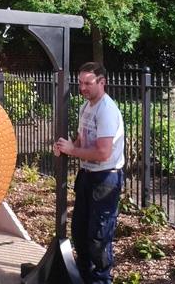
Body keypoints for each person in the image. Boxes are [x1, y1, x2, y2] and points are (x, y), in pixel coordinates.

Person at [54, 62, 124, 284]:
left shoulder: (107, 111)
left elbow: (103, 153)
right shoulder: (86, 106)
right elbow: (81, 139)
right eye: (80, 82)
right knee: (80, 232)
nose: (82, 87)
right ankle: (84, 278)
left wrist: (73, 150)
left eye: (88, 83)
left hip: (105, 179)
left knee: (98, 237)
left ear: (102, 82)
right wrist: (66, 146)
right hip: (87, 175)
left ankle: (101, 281)